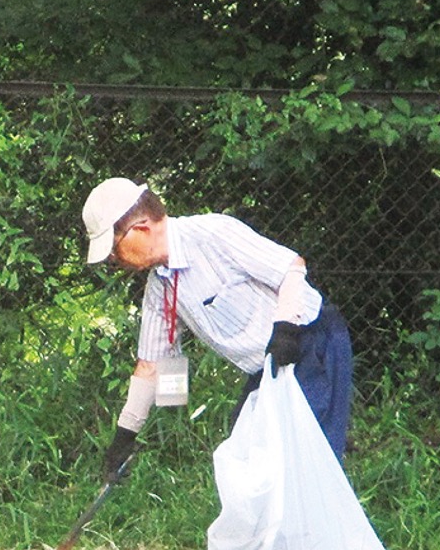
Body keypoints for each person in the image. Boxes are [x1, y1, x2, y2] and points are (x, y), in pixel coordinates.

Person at [82, 177, 354, 483]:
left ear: (140, 228)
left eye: (114, 249)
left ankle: (316, 527)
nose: (114, 260)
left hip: (312, 342)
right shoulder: (160, 287)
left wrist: (286, 329)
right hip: (269, 365)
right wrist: (125, 436)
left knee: (305, 464)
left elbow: (291, 267)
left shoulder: (212, 234)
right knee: (246, 458)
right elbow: (151, 365)